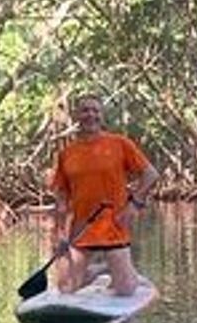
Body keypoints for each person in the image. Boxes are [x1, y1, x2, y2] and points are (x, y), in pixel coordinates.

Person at [49, 91, 159, 296]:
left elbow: (150, 174)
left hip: (113, 225)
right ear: (76, 116)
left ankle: (120, 272)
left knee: (126, 291)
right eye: (84, 110)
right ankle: (103, 269)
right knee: (65, 289)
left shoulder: (120, 144)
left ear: (101, 116)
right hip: (82, 228)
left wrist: (134, 204)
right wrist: (59, 233)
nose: (90, 115)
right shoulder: (66, 154)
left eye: (95, 110)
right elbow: (61, 198)